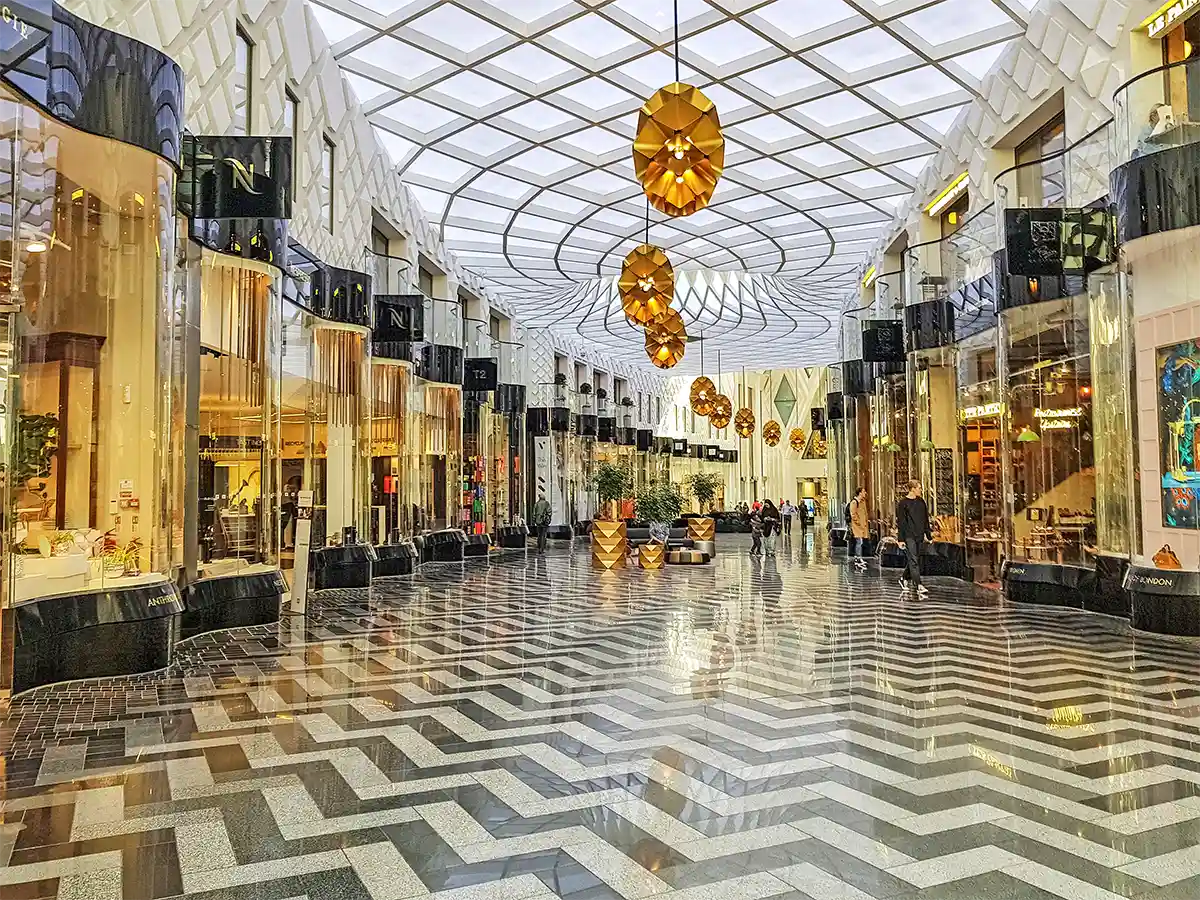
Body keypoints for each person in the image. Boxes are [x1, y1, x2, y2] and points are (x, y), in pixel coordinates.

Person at [897, 479, 932, 596]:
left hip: (919, 535)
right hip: (908, 536)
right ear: (912, 489)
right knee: (913, 560)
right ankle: (918, 585)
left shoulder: (921, 502)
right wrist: (900, 539)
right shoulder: (903, 504)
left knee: (914, 559)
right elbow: (901, 522)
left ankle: (903, 578)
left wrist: (928, 535)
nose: (921, 490)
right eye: (919, 488)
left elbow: (926, 520)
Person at [849, 487, 869, 571]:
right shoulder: (854, 502)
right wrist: (858, 523)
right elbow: (853, 514)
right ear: (860, 493)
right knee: (859, 542)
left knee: (860, 542)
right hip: (858, 527)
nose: (865, 493)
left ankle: (859, 557)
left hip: (862, 526)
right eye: (864, 491)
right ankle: (858, 558)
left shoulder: (862, 502)